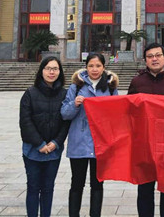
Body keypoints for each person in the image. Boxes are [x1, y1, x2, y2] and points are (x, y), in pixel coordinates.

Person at [128, 42, 164, 217]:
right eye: (150, 56)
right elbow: (129, 110)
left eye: (158, 55)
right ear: (145, 60)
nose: (154, 59)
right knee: (144, 190)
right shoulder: (137, 81)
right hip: (145, 145)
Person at [61, 53, 119, 217]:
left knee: (97, 184)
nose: (94, 69)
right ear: (86, 67)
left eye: (98, 66)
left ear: (104, 67)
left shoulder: (110, 88)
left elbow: (116, 115)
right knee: (77, 183)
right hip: (79, 142)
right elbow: (65, 114)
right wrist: (75, 104)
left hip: (101, 143)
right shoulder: (76, 87)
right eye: (91, 66)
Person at [19, 57, 70, 217]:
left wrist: (56, 142)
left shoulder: (65, 94)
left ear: (60, 72)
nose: (51, 72)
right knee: (33, 187)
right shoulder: (30, 93)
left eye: (55, 68)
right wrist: (40, 144)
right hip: (32, 150)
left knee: (48, 188)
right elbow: (25, 122)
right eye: (48, 68)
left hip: (54, 151)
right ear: (41, 71)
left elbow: (66, 123)